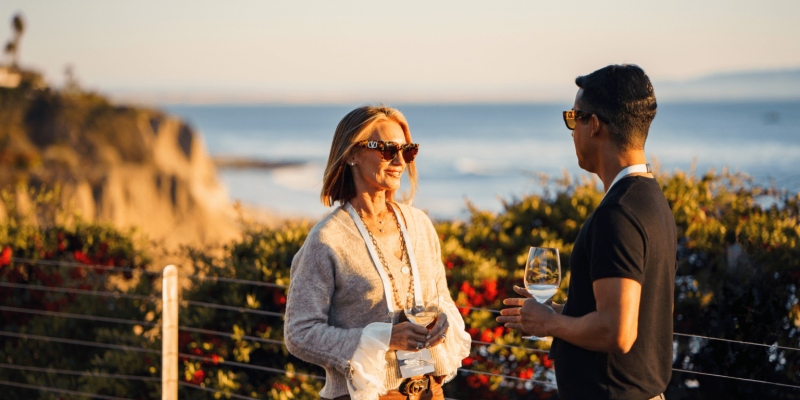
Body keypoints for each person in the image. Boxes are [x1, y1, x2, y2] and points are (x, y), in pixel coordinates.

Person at [498, 64, 677, 400]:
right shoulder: (651, 199)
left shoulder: (618, 213)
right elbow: (634, 313)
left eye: (573, 117)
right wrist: (557, 312)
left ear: (593, 125)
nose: (571, 131)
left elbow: (617, 331)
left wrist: (550, 324)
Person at [285, 106, 471, 400]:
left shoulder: (420, 225)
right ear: (351, 155)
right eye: (386, 149)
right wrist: (385, 339)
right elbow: (299, 334)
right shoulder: (327, 239)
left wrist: (443, 320)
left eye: (407, 151)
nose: (399, 161)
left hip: (430, 393)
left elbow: (443, 300)